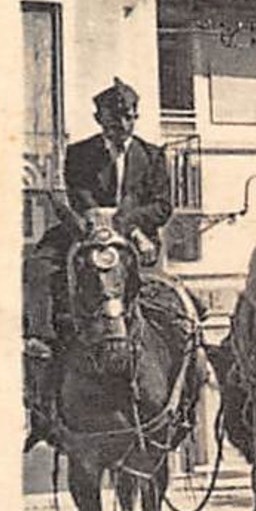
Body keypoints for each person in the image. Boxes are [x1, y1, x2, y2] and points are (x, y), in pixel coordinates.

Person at [24, 78, 174, 444]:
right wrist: (93, 220)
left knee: (177, 305)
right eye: (114, 118)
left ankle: (184, 388)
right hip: (84, 231)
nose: (122, 126)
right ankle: (41, 343)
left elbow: (162, 206)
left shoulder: (152, 155)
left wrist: (130, 225)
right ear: (99, 118)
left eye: (128, 117)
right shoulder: (80, 153)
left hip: (133, 236)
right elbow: (78, 194)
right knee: (38, 268)